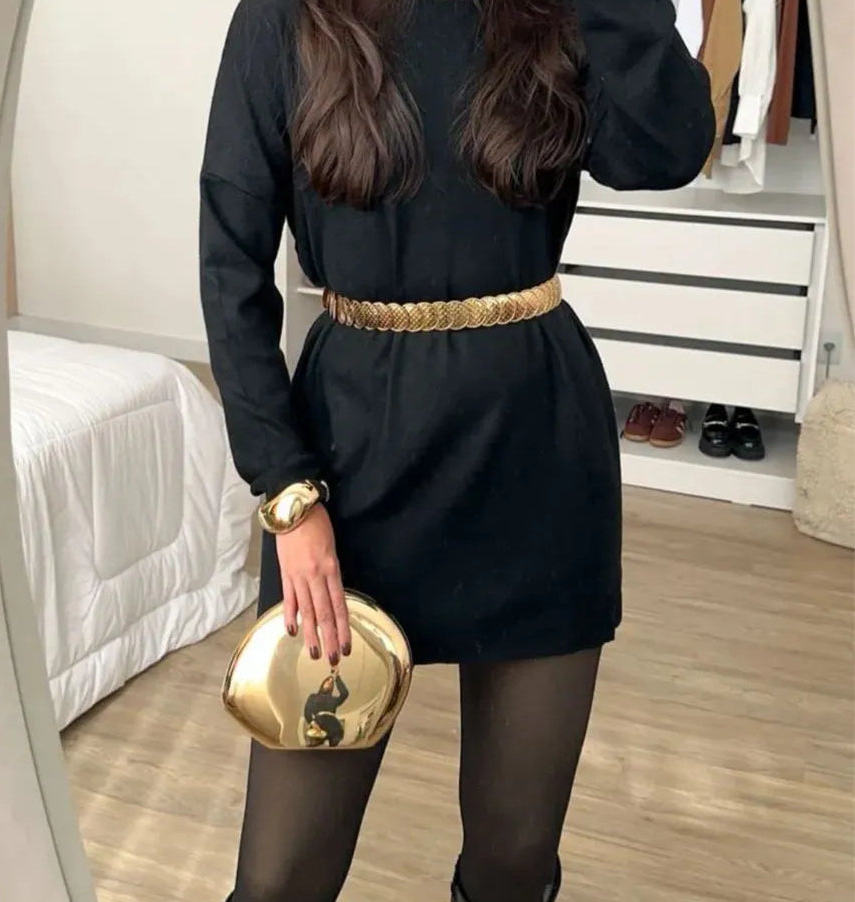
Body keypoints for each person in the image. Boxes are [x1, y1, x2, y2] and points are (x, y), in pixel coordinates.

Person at [199, 0, 714, 897]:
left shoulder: (556, 9)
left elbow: (665, 152)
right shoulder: (285, 17)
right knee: (282, 877)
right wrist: (286, 493)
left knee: (514, 862)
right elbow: (229, 268)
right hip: (350, 465)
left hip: (536, 452)